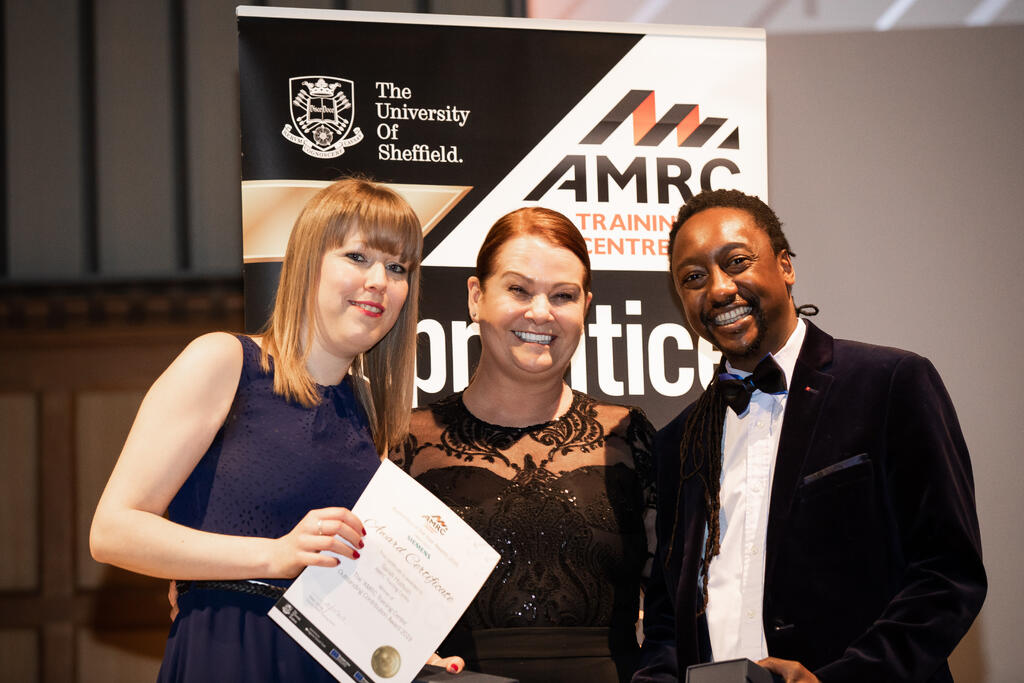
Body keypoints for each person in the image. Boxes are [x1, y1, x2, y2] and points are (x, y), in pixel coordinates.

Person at [633, 189, 985, 683]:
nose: (717, 289)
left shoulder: (891, 384)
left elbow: (947, 575)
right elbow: (668, 622)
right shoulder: (677, 442)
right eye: (693, 277)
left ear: (785, 266)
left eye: (736, 262)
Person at [89, 178, 423, 681]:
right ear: (309, 261)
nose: (379, 279)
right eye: (358, 257)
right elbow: (113, 531)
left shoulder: (371, 417)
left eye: (397, 267)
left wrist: (402, 651)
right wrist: (274, 555)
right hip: (231, 655)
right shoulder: (225, 361)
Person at [394, 207, 657, 683]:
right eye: (518, 289)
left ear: (585, 307)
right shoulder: (407, 442)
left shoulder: (628, 435)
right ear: (476, 297)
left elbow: (674, 607)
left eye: (563, 295)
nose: (541, 312)